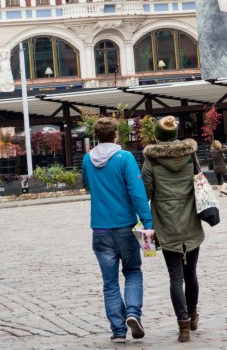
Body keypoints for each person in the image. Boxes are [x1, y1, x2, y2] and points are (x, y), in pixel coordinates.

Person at [81, 116, 154, 343]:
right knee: (132, 271)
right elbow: (137, 192)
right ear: (116, 134)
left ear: (96, 136)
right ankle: (133, 312)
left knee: (110, 282)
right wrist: (148, 223)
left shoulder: (86, 159)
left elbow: (87, 184)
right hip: (125, 226)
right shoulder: (125, 158)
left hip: (100, 229)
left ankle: (118, 330)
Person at [142, 116, 206, 343]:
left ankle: (183, 326)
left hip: (166, 222)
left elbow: (146, 191)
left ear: (157, 137)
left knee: (175, 276)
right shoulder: (190, 154)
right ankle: (193, 314)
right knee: (191, 273)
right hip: (190, 219)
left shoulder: (151, 160)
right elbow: (199, 181)